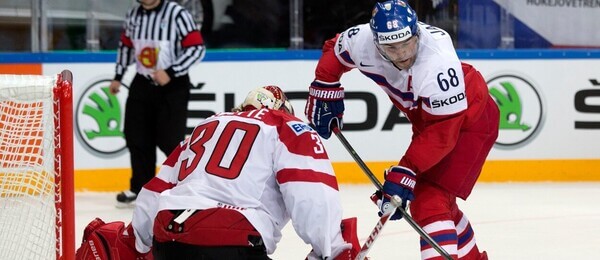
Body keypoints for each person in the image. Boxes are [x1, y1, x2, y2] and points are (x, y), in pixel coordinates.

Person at [304, 1, 499, 259]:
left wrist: (406, 170)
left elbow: (443, 131)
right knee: (438, 202)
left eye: (407, 43)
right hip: (428, 118)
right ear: (376, 43)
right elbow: (335, 52)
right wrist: (324, 86)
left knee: (430, 197)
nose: (402, 53)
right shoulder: (363, 41)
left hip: (468, 119)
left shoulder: (438, 61)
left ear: (416, 33)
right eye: (391, 48)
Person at [76, 86, 360, 260]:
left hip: (168, 241)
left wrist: (137, 241)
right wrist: (332, 247)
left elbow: (156, 188)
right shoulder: (286, 125)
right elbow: (309, 191)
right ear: (284, 109)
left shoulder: (207, 126)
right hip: (231, 242)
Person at [109, 0, 205, 207]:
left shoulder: (177, 14)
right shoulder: (134, 14)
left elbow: (197, 48)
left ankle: (183, 187)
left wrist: (170, 72)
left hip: (172, 86)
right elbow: (126, 46)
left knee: (170, 140)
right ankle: (140, 188)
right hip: (142, 81)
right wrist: (118, 75)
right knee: (137, 137)